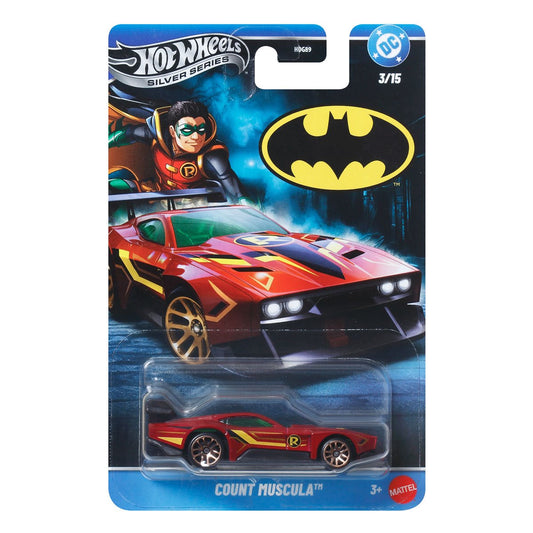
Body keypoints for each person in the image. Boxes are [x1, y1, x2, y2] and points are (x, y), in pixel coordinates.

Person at [109, 100, 245, 202]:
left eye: (201, 130)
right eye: (187, 130)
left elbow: (236, 191)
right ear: (172, 131)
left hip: (193, 206)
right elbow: (127, 133)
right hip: (156, 193)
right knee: (111, 186)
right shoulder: (158, 137)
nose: (196, 137)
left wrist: (246, 204)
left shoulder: (211, 156)